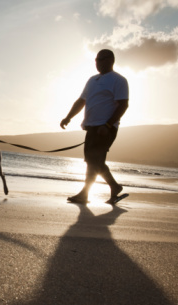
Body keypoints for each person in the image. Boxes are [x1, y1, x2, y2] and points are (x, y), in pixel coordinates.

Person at [60, 49, 129, 204]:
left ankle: (86, 193)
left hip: (105, 128)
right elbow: (81, 101)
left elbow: (124, 105)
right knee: (93, 161)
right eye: (96, 59)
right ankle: (114, 187)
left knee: (94, 160)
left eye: (100, 59)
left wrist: (108, 124)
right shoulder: (92, 80)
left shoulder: (119, 80)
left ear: (110, 60)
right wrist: (68, 117)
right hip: (91, 127)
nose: (97, 62)